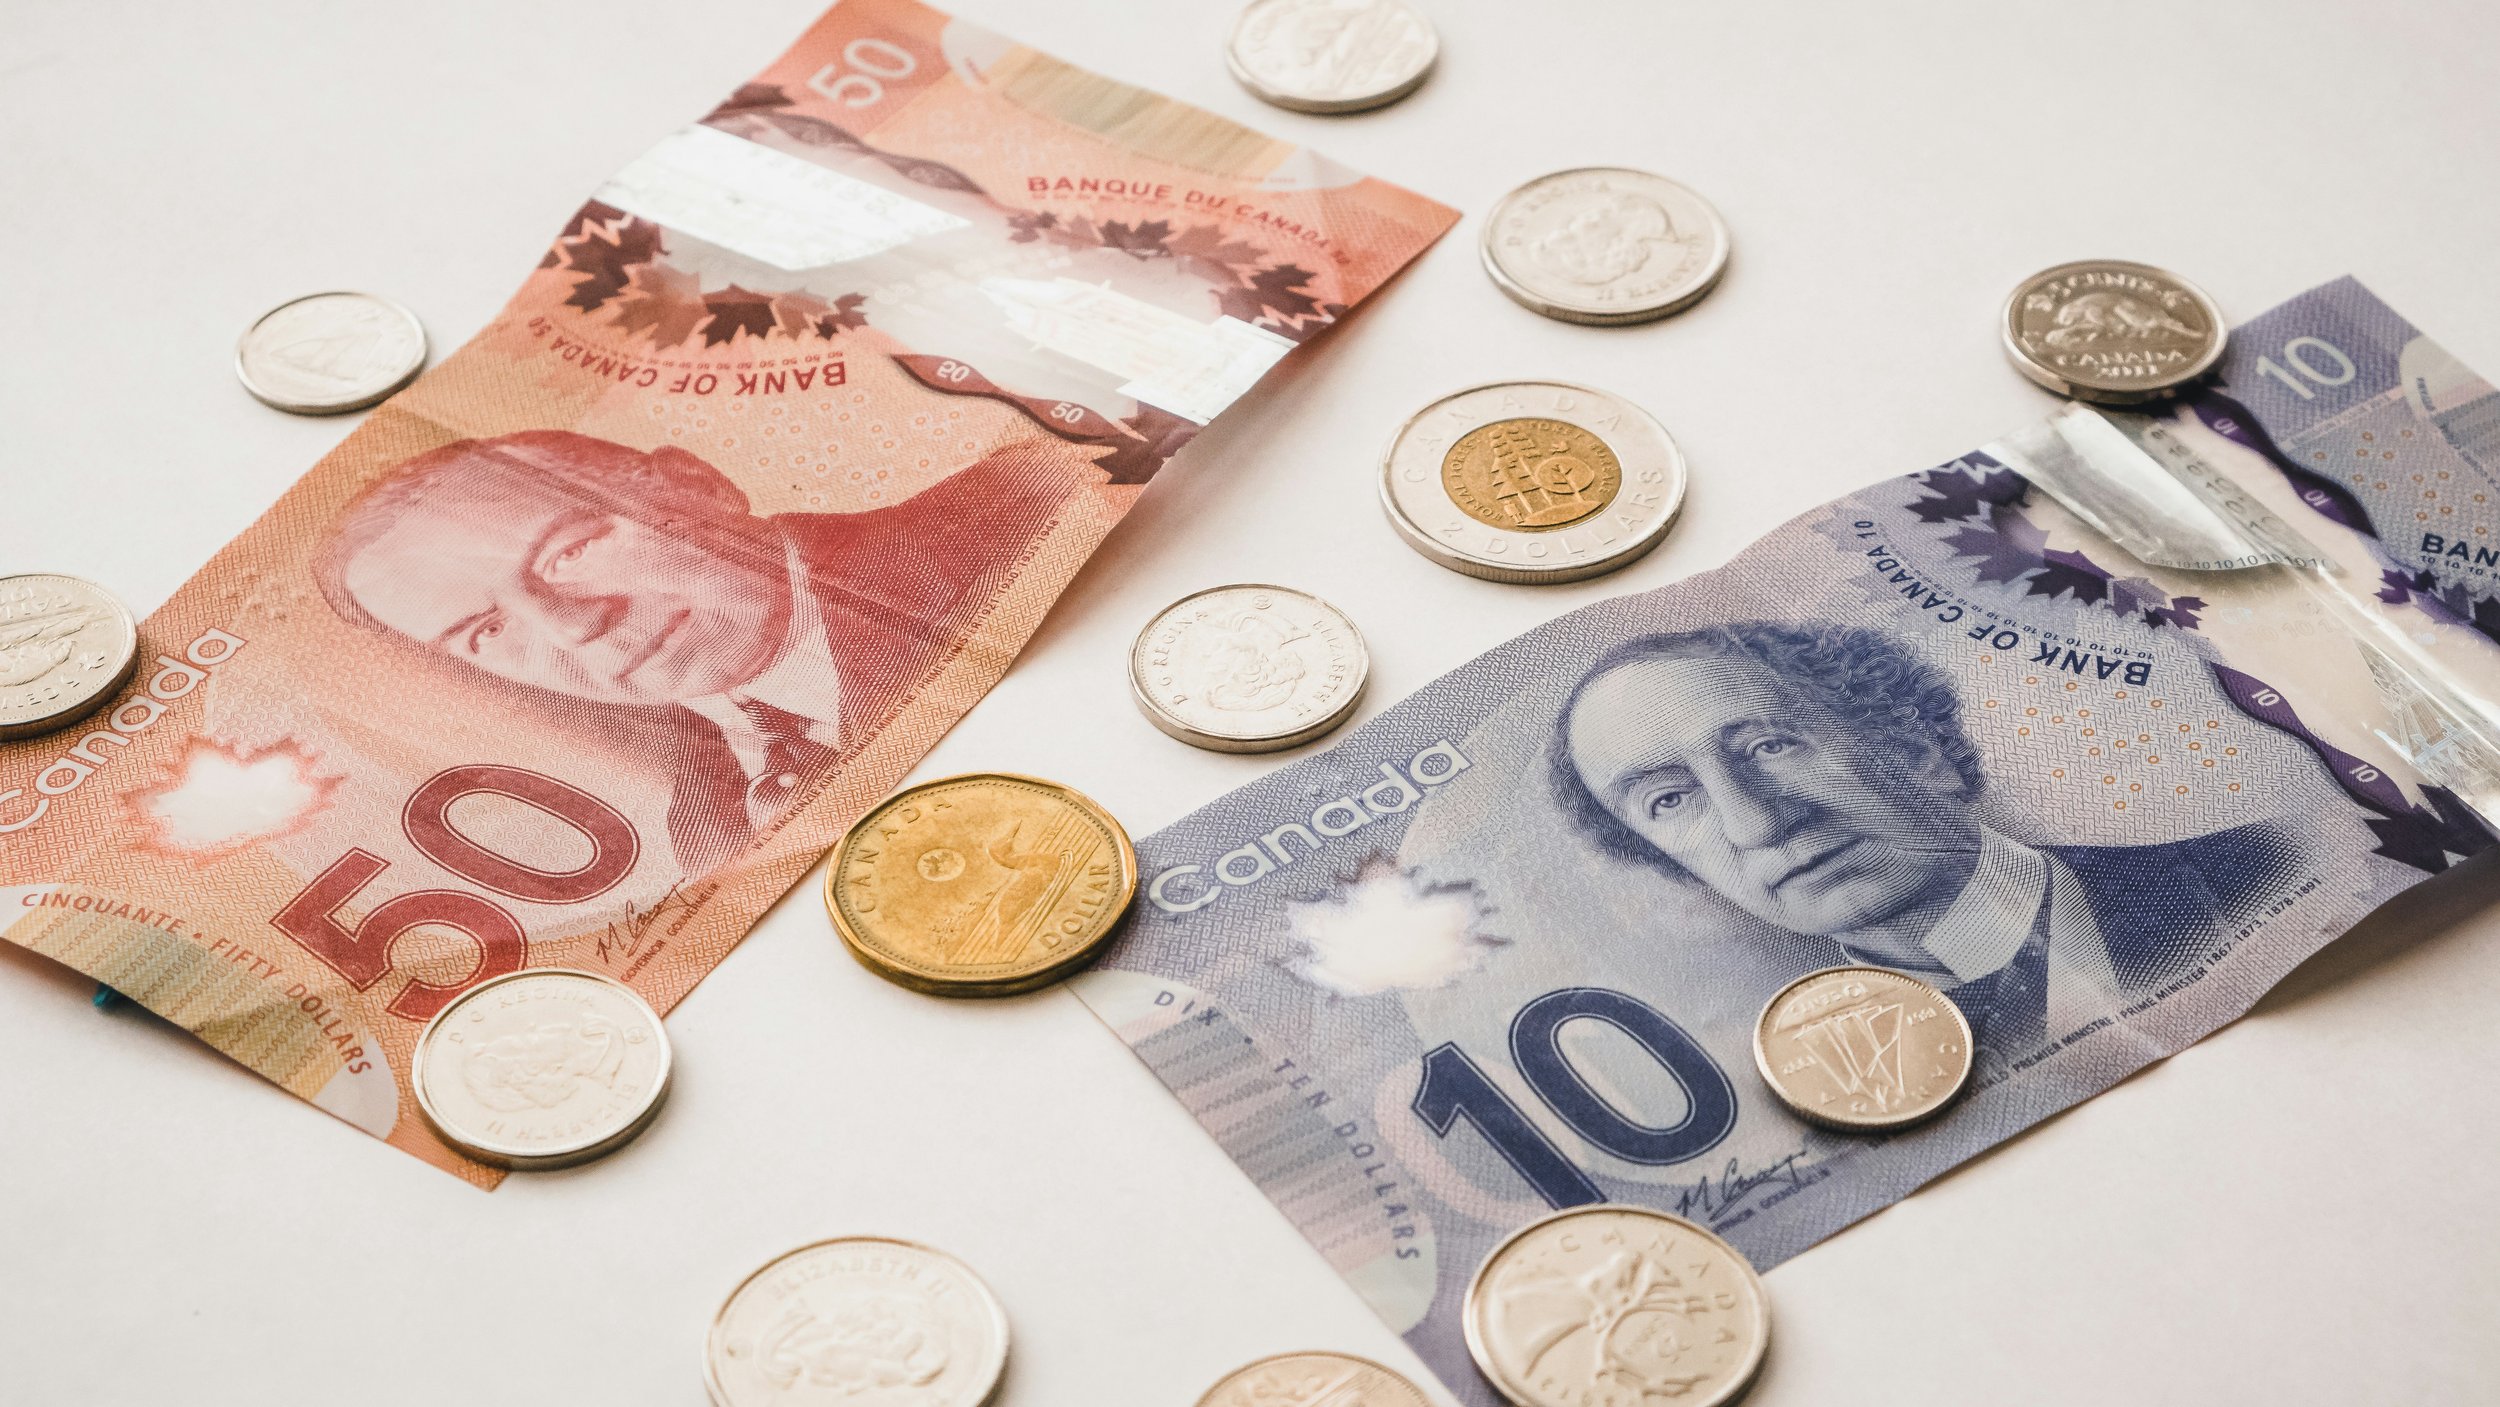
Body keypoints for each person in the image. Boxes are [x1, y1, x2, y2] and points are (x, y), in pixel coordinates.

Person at [314, 430, 1062, 870]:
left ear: (694, 483)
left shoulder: (1037, 503)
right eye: (487, 631)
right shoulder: (701, 833)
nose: (574, 626)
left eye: (568, 554)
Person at [1550, 621, 2298, 1053]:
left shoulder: (2277, 864)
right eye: (1671, 799)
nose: (1757, 823)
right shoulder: (1834, 1073)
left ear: (1915, 746)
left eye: (1769, 746)